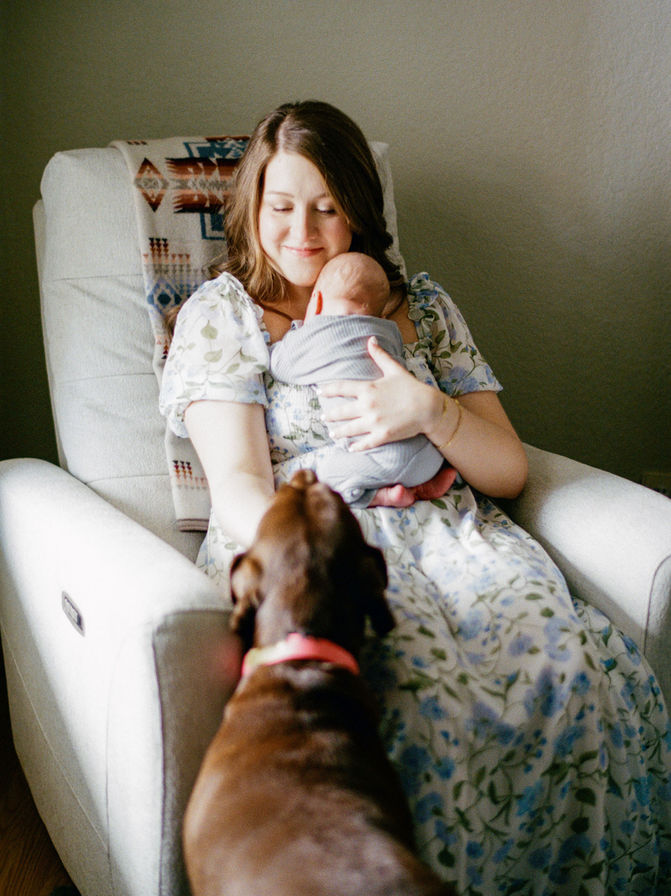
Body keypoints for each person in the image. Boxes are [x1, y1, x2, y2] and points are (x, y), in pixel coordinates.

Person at [160, 100, 671, 894]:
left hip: (456, 529)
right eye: (283, 206)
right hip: (315, 543)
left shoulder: (420, 307)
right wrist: (306, 558)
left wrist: (428, 412)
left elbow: (505, 469)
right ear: (252, 208)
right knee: (411, 698)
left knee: (567, 668)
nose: (303, 229)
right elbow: (237, 483)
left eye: (328, 208)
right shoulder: (222, 315)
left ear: (360, 211)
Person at [269, 251, 456, 506]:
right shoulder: (389, 334)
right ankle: (424, 484)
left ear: (317, 300)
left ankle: (378, 496)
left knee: (301, 479)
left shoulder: (315, 335)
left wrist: (295, 332)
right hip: (426, 452)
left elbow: (280, 366)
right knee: (402, 462)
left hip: (374, 455)